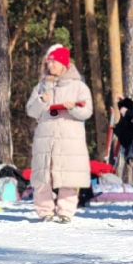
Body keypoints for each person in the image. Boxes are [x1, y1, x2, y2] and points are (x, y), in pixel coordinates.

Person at [25, 44, 94, 222]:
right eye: (49, 62)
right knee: (43, 175)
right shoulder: (41, 86)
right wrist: (42, 101)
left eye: (54, 62)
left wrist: (73, 109)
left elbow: (87, 111)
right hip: (45, 138)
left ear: (64, 64)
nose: (50, 66)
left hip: (70, 139)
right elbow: (31, 111)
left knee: (69, 177)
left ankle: (65, 212)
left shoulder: (79, 87)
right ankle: (45, 211)